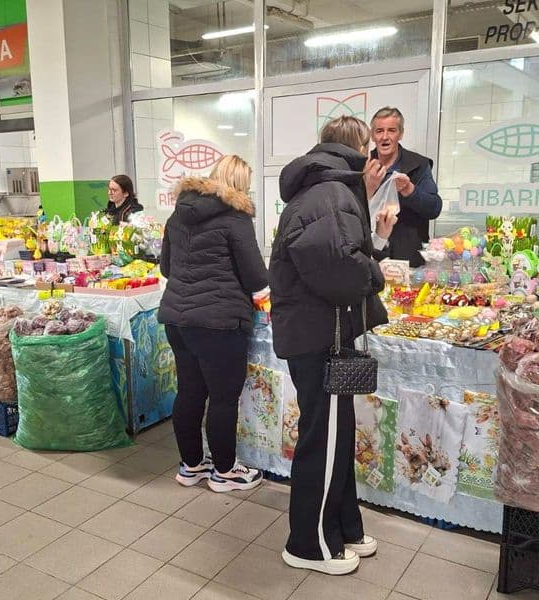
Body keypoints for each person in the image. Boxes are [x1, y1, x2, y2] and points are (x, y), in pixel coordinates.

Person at [269, 116, 398, 575]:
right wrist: (377, 268)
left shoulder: (328, 192)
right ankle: (308, 545)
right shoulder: (332, 194)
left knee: (336, 438)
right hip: (317, 336)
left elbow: (337, 260)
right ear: (360, 149)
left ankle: (344, 527)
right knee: (322, 441)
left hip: (317, 333)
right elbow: (343, 275)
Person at [158, 155, 268, 493]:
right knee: (223, 397)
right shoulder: (236, 219)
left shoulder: (179, 214)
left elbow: (166, 268)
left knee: (190, 392)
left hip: (177, 319)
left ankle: (191, 466)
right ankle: (224, 471)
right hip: (219, 323)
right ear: (239, 185)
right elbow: (255, 277)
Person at [368, 106, 442, 267]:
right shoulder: (362, 166)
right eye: (379, 131)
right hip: (370, 258)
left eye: (392, 130)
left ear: (400, 134)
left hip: (408, 259)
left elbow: (434, 208)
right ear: (372, 135)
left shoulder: (418, 165)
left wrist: (410, 190)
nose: (385, 137)